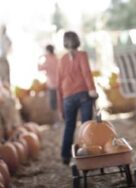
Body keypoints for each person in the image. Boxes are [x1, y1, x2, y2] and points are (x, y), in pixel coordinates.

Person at [57, 31, 98, 165]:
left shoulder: (62, 60)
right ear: (77, 41)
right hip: (83, 94)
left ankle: (65, 156)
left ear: (65, 43)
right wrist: (92, 89)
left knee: (69, 125)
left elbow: (58, 84)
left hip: (67, 97)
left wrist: (60, 107)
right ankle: (86, 155)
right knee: (86, 125)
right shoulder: (82, 55)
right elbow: (86, 72)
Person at [38, 44, 58, 112]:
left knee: (53, 103)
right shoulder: (56, 58)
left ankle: (57, 120)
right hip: (59, 83)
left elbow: (39, 68)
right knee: (59, 101)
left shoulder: (48, 60)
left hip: (52, 84)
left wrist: (40, 58)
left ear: (48, 51)